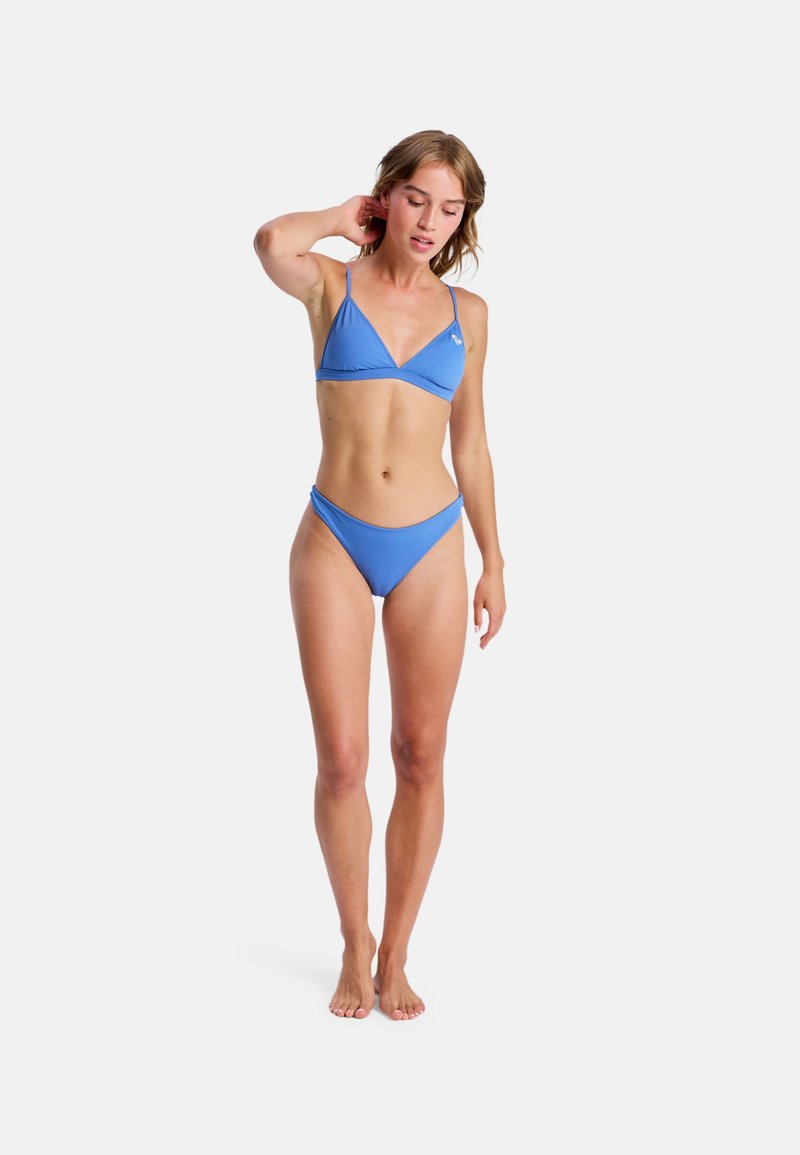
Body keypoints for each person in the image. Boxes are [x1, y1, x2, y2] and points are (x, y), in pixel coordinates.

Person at [253, 129, 505, 1021]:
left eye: (451, 208)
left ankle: (395, 951)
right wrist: (340, 217)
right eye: (416, 199)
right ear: (386, 197)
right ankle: (351, 939)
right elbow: (271, 242)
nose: (432, 221)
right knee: (343, 761)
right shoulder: (332, 285)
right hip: (334, 534)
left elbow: (471, 445)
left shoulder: (468, 314)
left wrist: (494, 559)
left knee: (421, 755)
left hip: (433, 542)